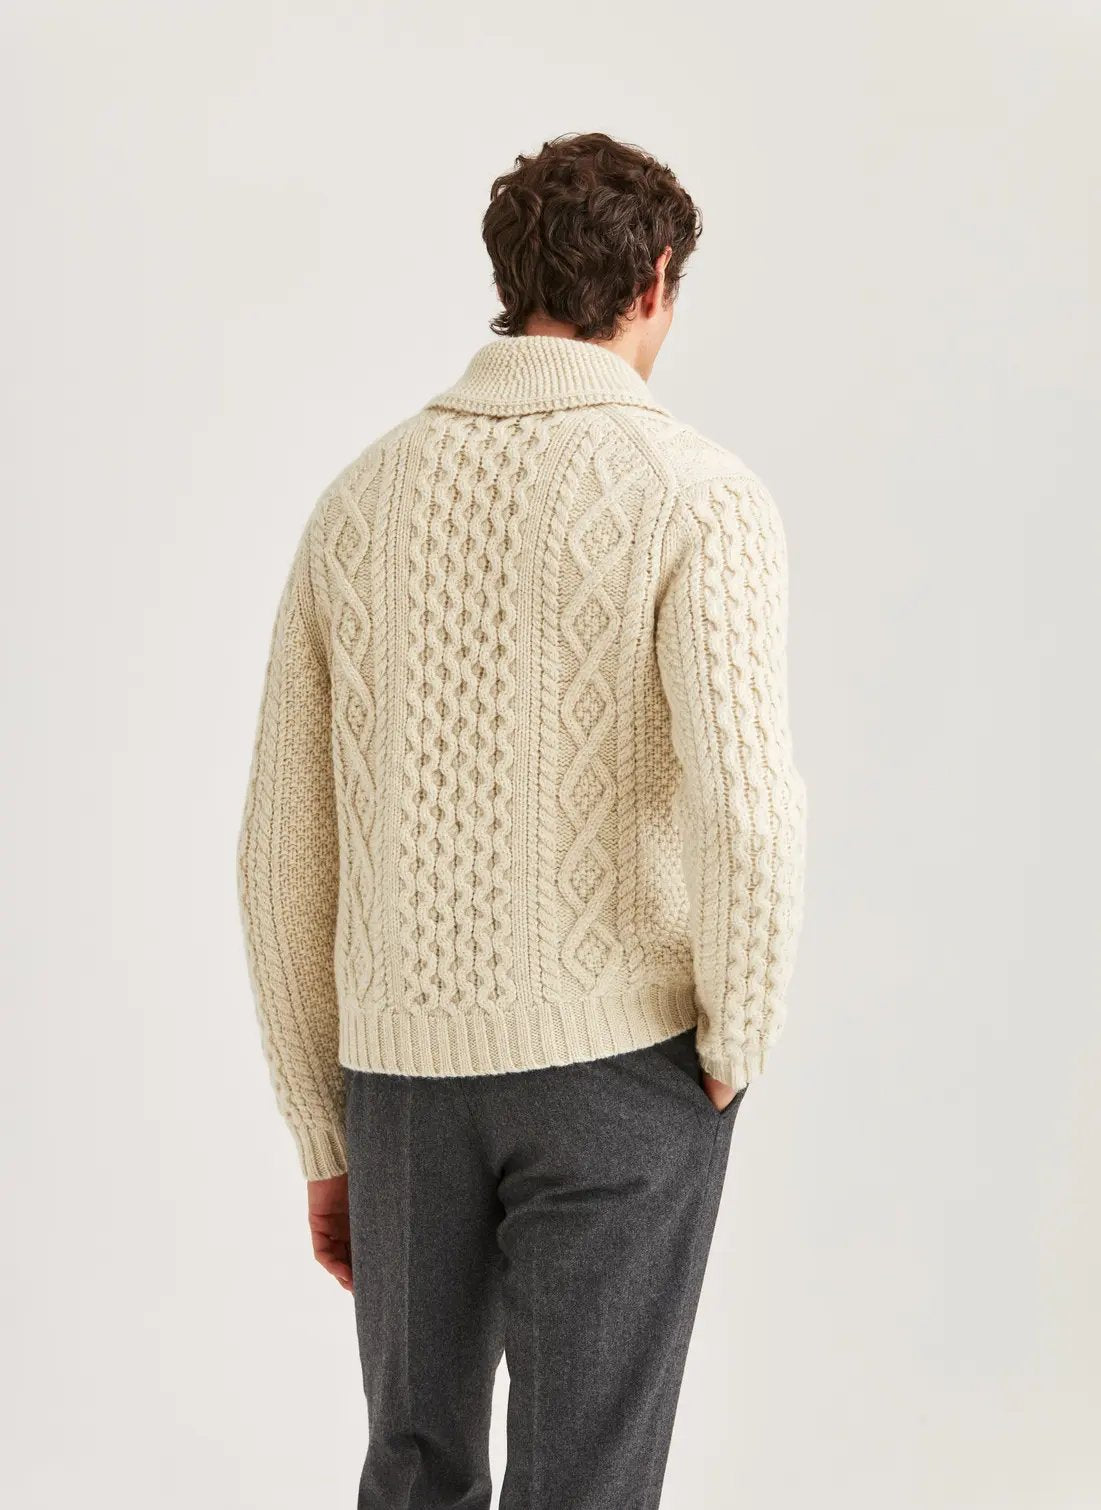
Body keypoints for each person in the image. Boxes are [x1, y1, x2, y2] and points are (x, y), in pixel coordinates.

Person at [237, 129, 808, 1509]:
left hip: (400, 1079)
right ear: (655, 279)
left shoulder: (358, 503)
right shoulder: (697, 493)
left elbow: (279, 854)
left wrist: (326, 1127)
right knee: (586, 1484)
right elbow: (747, 809)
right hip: (620, 1068)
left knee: (414, 1466)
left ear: (511, 281)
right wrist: (733, 1039)